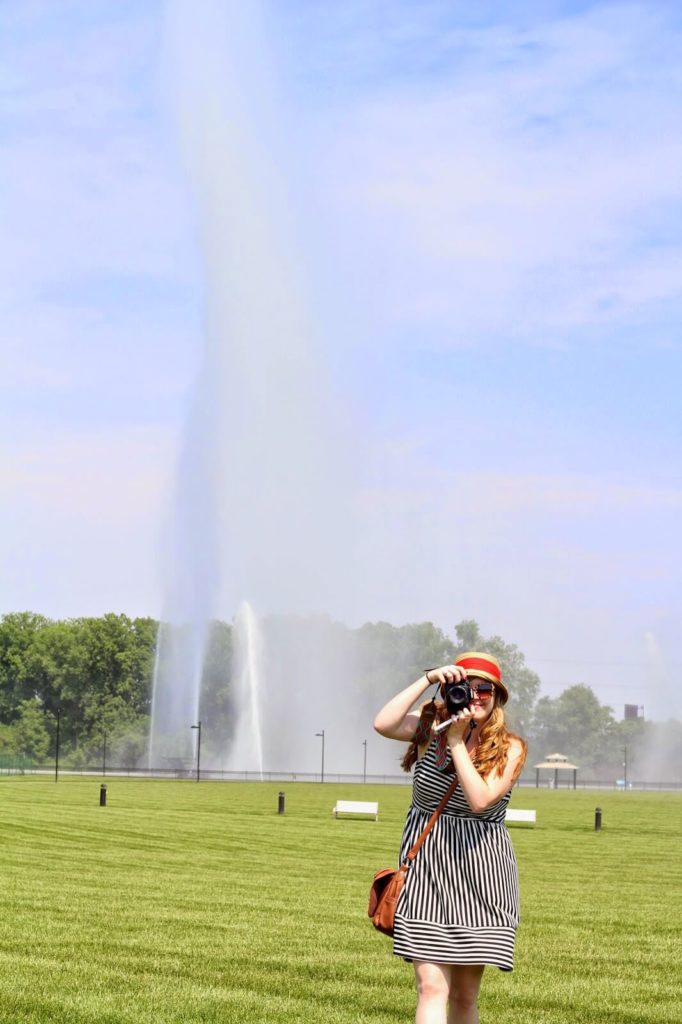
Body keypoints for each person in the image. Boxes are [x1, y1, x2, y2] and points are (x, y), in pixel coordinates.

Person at [373, 651, 527, 1024]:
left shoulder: (511, 747)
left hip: (482, 875)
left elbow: (480, 800)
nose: (474, 695)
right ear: (449, 690)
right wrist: (427, 679)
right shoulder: (430, 731)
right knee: (430, 987)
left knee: (463, 996)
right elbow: (383, 723)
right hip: (427, 871)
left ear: (497, 697)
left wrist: (458, 743)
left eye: (483, 689)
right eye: (464, 686)